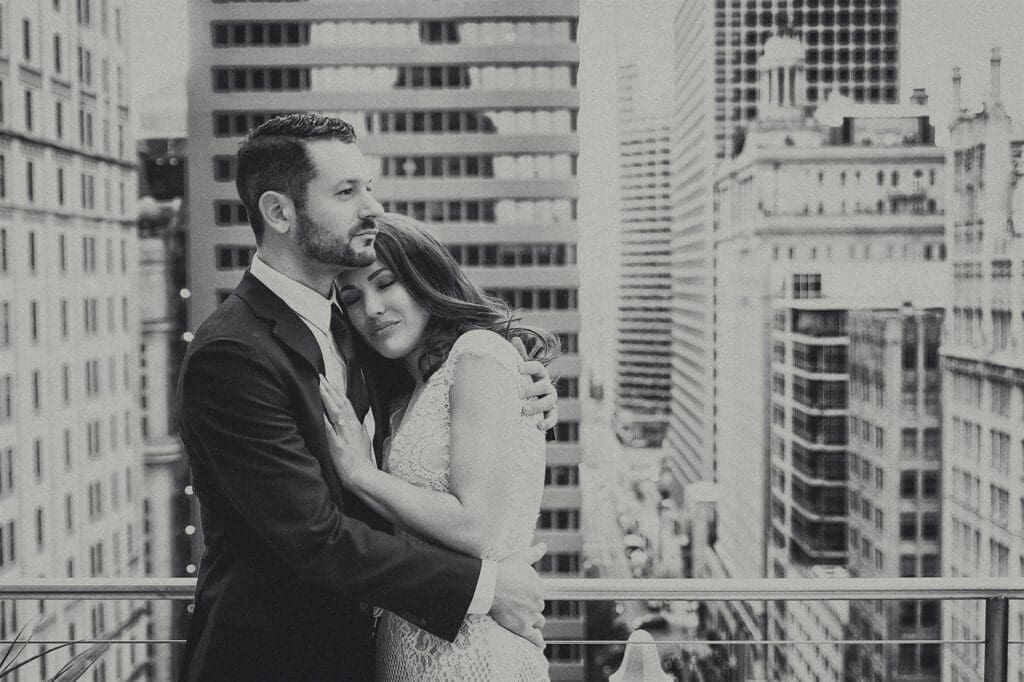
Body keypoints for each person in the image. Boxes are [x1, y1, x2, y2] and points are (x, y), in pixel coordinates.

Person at [176, 113, 558, 681]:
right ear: (279, 212)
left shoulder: (351, 329)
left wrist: (521, 387)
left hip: (370, 655)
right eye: (347, 192)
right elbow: (316, 538)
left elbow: (435, 417)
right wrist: (485, 588)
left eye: (370, 187)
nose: (372, 207)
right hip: (272, 663)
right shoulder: (231, 353)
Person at [320, 213, 558, 680]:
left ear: (425, 277)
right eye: (352, 298)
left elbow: (475, 527)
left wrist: (362, 474)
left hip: (476, 657)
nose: (372, 308)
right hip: (411, 648)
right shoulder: (401, 395)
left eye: (385, 284)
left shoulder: (478, 353)